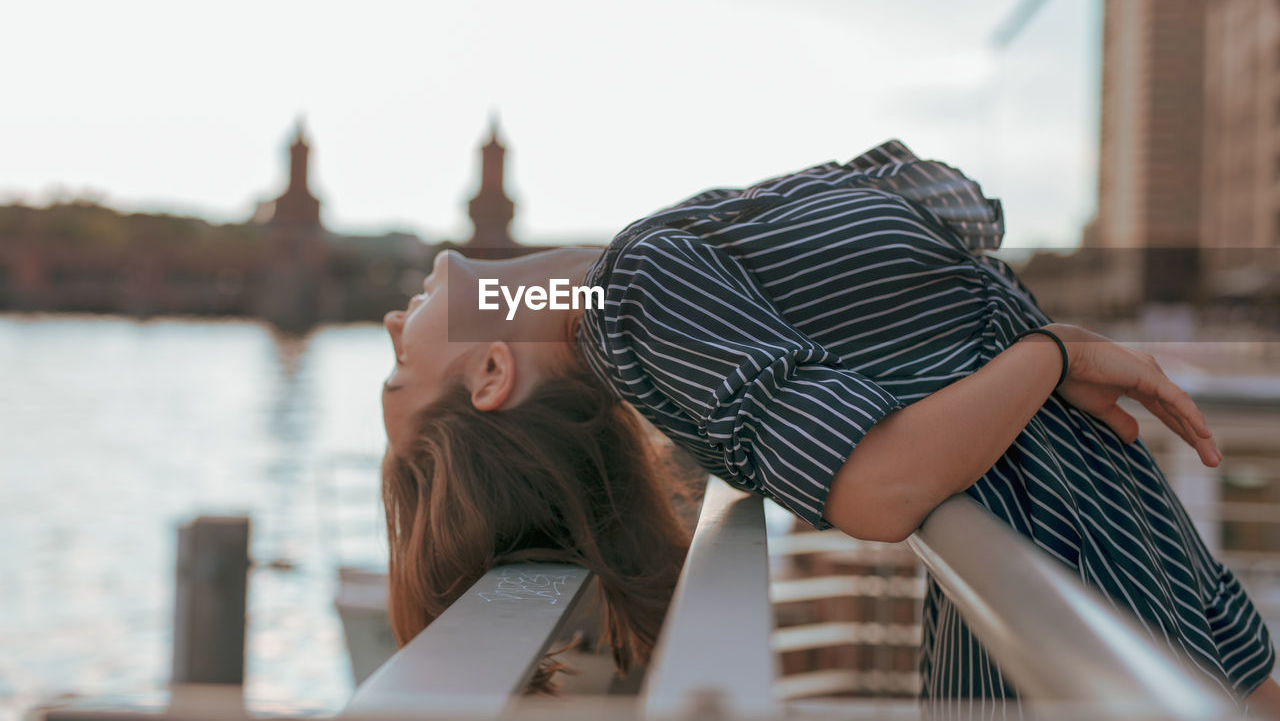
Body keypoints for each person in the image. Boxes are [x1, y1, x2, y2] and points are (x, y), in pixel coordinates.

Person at [379, 139, 1280, 713]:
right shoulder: (638, 297)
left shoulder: (635, 272)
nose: (390, 325)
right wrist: (1045, 355)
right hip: (1074, 538)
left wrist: (1016, 352)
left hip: (1102, 508)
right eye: (399, 368)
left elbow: (941, 218)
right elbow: (877, 487)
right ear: (490, 372)